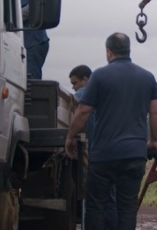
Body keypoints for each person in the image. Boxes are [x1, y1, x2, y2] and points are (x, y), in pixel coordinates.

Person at [64, 33, 157, 230]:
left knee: (96, 206)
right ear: (128, 50)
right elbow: (156, 113)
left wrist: (70, 136)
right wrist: (153, 141)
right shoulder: (147, 77)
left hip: (103, 157)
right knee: (126, 208)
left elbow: (83, 111)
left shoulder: (99, 76)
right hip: (134, 155)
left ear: (108, 52)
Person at [68, 64, 117, 229]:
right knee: (111, 197)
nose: (74, 88)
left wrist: (70, 136)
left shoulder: (83, 95)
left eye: (75, 83)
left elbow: (80, 109)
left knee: (93, 196)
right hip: (112, 149)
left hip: (95, 152)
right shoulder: (106, 96)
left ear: (85, 80)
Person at [18, 0, 49, 79]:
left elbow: (33, 8)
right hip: (25, 44)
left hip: (31, 43)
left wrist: (7, 18)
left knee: (30, 85)